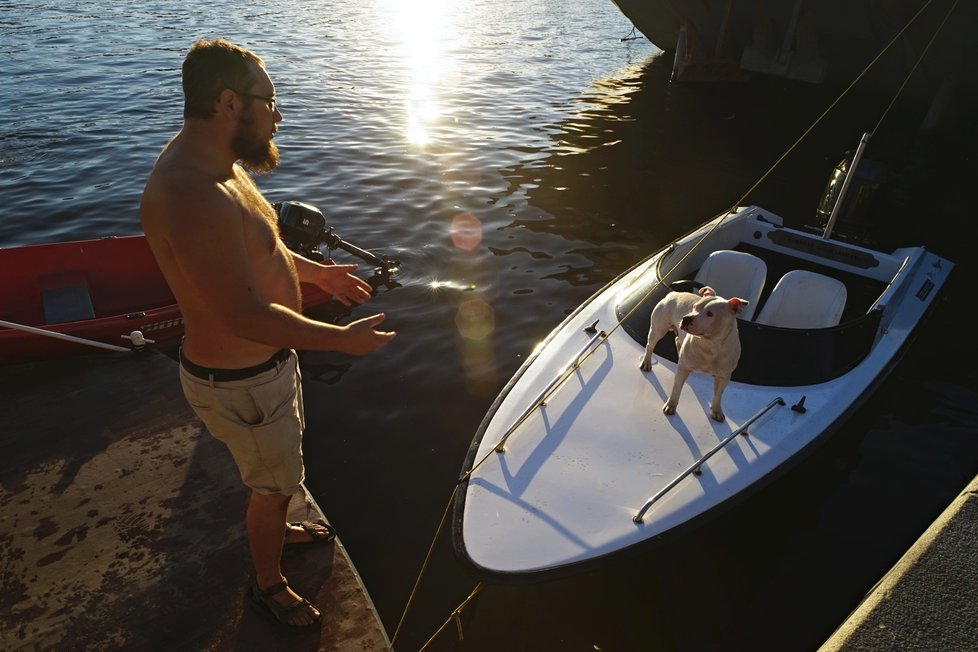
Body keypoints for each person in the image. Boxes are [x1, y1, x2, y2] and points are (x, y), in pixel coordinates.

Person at [140, 38, 395, 631]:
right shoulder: (190, 194)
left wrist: (317, 273)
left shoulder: (221, 166)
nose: (278, 114)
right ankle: (268, 584)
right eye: (270, 100)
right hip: (242, 382)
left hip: (266, 371)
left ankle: (281, 513)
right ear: (229, 102)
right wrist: (341, 341)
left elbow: (263, 247)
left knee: (278, 475)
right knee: (272, 487)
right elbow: (243, 316)